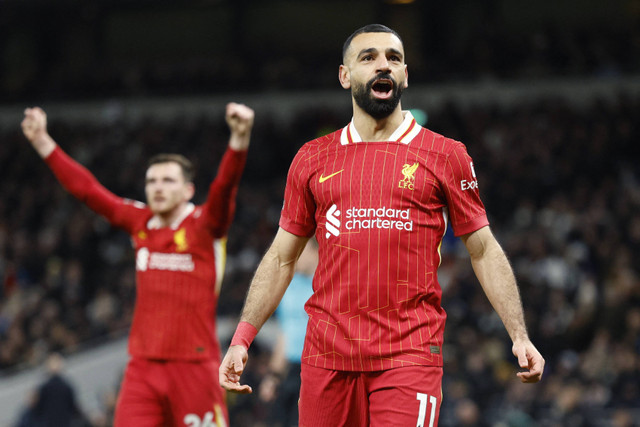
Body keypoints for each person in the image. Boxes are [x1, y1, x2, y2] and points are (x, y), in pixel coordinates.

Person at [219, 24, 544, 427]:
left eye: (393, 58)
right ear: (345, 76)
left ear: (405, 74)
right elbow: (283, 259)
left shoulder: (445, 154)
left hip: (408, 354)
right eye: (368, 57)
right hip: (327, 358)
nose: (382, 66)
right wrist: (241, 339)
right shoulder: (311, 159)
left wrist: (519, 334)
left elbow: (483, 249)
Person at [21, 103, 254, 427]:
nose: (158, 187)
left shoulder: (206, 225)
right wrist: (43, 142)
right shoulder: (140, 221)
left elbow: (224, 190)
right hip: (142, 368)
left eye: (168, 181)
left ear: (188, 190)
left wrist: (238, 142)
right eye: (152, 181)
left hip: (194, 366)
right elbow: (88, 190)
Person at [259, 239, 318, 427]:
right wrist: (273, 376)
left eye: (298, 250)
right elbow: (285, 336)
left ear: (314, 249)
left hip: (320, 370)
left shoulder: (330, 286)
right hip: (293, 373)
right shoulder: (288, 288)